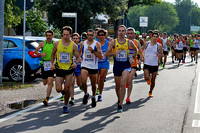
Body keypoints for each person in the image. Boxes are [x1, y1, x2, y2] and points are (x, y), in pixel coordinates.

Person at [105, 25, 137, 112]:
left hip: (126, 65)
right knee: (118, 86)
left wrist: (132, 57)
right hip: (117, 65)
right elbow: (106, 54)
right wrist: (114, 53)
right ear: (117, 32)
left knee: (123, 84)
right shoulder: (114, 42)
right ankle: (119, 99)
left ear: (125, 32)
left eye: (123, 31)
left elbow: (135, 50)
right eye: (120, 31)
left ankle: (120, 104)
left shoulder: (129, 42)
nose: (121, 32)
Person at [51, 26, 80, 113]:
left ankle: (65, 105)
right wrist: (52, 64)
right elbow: (53, 54)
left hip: (69, 70)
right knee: (58, 89)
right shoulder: (57, 43)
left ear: (70, 35)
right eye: (63, 34)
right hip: (59, 69)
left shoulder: (73, 45)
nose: (65, 36)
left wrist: (75, 63)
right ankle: (64, 91)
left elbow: (78, 57)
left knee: (67, 88)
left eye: (67, 35)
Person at [79, 29, 103, 108]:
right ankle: (86, 93)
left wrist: (93, 51)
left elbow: (101, 56)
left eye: (91, 35)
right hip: (84, 65)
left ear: (94, 35)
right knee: (83, 81)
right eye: (88, 35)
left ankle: (93, 96)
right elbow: (79, 54)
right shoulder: (83, 43)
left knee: (93, 84)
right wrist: (78, 58)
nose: (89, 37)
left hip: (93, 66)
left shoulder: (97, 44)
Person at [34, 30, 55, 106]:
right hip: (44, 64)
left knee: (49, 80)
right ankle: (51, 83)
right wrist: (41, 53)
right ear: (46, 36)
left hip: (52, 64)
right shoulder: (42, 43)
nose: (48, 37)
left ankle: (47, 99)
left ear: (53, 36)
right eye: (47, 36)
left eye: (50, 35)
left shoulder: (54, 44)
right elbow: (35, 51)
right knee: (44, 82)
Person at [142, 31, 162, 97]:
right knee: (146, 77)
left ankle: (150, 91)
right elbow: (142, 50)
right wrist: (142, 57)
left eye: (156, 37)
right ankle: (148, 79)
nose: (155, 38)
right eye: (154, 36)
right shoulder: (146, 43)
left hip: (154, 64)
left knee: (153, 80)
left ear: (158, 38)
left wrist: (159, 55)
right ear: (151, 37)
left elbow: (161, 55)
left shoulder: (159, 45)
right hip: (147, 63)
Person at [126, 27, 143, 104]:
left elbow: (141, 52)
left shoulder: (137, 42)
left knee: (130, 80)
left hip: (133, 63)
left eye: (131, 33)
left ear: (134, 34)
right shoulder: (123, 42)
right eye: (128, 33)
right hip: (124, 63)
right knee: (124, 81)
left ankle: (128, 97)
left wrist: (140, 59)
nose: (130, 35)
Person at [68, 33, 83, 105]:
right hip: (71, 67)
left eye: (76, 38)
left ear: (78, 39)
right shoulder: (69, 46)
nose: (75, 40)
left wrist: (81, 59)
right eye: (74, 38)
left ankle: (81, 86)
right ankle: (72, 98)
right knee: (72, 83)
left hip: (79, 67)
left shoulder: (81, 46)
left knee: (79, 83)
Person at [96, 29, 110, 101]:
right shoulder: (95, 43)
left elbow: (112, 51)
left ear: (105, 35)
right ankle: (96, 89)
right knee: (96, 80)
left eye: (103, 35)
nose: (101, 36)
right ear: (98, 36)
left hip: (104, 62)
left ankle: (100, 94)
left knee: (101, 78)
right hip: (96, 63)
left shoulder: (108, 43)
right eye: (100, 35)